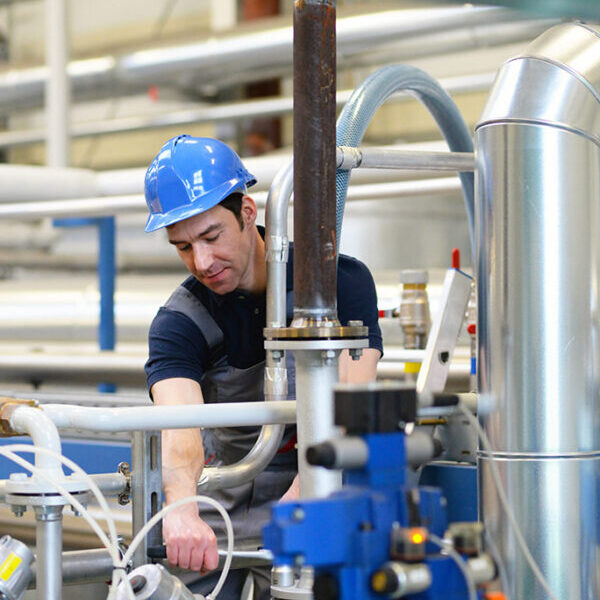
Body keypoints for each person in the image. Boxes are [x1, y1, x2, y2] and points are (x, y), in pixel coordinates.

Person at [144, 134, 383, 599]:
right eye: (183, 247)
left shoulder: (340, 286)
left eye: (212, 236)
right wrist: (181, 510)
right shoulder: (180, 321)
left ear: (249, 213)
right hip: (224, 510)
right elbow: (179, 428)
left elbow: (353, 408)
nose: (203, 261)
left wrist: (307, 494)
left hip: (319, 492)